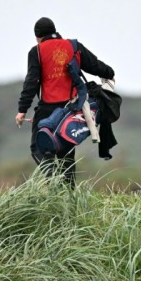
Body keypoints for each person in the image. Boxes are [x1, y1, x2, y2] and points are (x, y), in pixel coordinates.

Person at [15, 17, 115, 188]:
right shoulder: (74, 46)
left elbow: (31, 82)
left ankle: (52, 181)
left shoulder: (36, 51)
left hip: (47, 109)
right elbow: (97, 66)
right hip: (71, 109)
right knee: (66, 153)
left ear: (38, 37)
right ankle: (68, 193)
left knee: (38, 147)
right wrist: (109, 73)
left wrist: (22, 109)